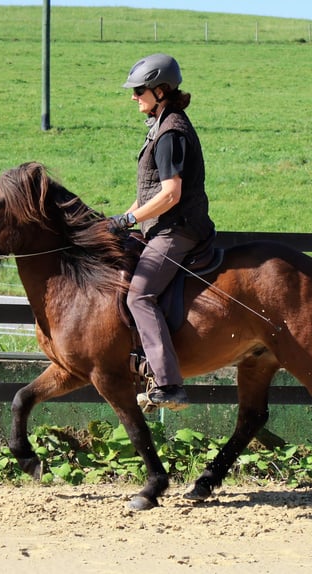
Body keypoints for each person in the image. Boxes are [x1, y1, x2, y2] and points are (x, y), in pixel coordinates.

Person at [108, 53, 215, 411]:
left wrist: (130, 220)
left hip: (177, 229)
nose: (133, 96)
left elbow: (171, 194)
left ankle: (168, 384)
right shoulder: (162, 126)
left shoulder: (171, 133)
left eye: (139, 90)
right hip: (162, 224)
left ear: (160, 90)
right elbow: (150, 192)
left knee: (139, 296)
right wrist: (123, 218)